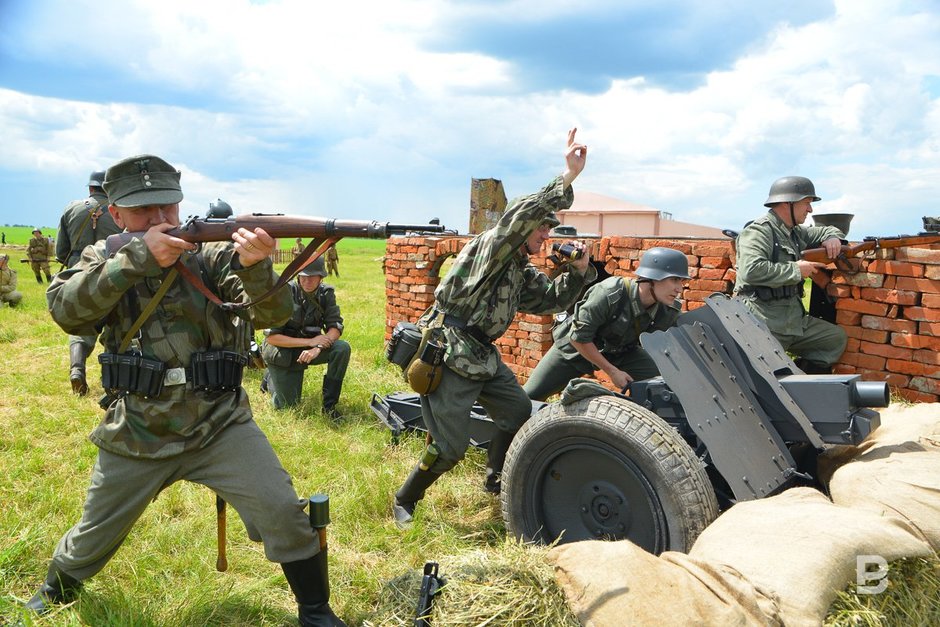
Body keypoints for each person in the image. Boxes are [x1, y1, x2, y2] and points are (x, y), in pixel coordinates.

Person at [28, 154, 346, 626]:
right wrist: (135, 259)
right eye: (142, 212)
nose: (159, 221)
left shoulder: (211, 256)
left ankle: (315, 610)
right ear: (116, 214)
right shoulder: (101, 257)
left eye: (167, 209)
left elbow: (273, 316)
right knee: (94, 533)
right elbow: (66, 311)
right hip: (138, 428)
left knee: (283, 511)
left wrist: (258, 266)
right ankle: (57, 588)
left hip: (219, 422)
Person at [391, 128, 596, 528]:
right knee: (449, 450)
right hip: (449, 352)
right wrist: (567, 176)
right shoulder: (494, 247)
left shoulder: (518, 267)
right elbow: (519, 216)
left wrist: (579, 272)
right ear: (526, 227)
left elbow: (551, 300)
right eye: (543, 229)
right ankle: (406, 497)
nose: (546, 236)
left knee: (519, 412)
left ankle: (496, 476)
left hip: (482, 354)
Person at [523, 247, 689, 401]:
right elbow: (578, 338)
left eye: (681, 281)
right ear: (652, 278)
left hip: (621, 352)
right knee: (528, 399)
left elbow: (686, 337)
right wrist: (612, 371)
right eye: (674, 280)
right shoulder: (609, 293)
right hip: (575, 349)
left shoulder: (667, 309)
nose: (679, 288)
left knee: (662, 388)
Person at [733, 176, 847, 374]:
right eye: (806, 204)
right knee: (763, 371)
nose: (810, 210)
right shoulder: (759, 231)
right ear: (788, 203)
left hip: (793, 319)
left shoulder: (793, 232)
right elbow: (751, 270)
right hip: (762, 319)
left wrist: (832, 237)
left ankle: (800, 376)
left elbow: (826, 230)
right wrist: (796, 270)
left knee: (834, 339)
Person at [56, 170, 124, 395]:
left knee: (83, 325)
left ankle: (77, 369)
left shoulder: (72, 208)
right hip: (112, 269)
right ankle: (113, 381)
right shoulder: (120, 212)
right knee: (117, 323)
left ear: (90, 188)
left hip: (79, 267)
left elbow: (61, 250)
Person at [261, 256, 350, 420]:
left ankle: (329, 406)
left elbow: (335, 326)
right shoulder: (284, 292)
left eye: (312, 276)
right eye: (303, 276)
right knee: (288, 407)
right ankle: (270, 378)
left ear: (321, 277)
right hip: (282, 351)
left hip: (309, 349)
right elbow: (272, 338)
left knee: (342, 348)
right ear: (298, 276)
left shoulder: (325, 294)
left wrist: (318, 348)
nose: (307, 281)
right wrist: (310, 342)